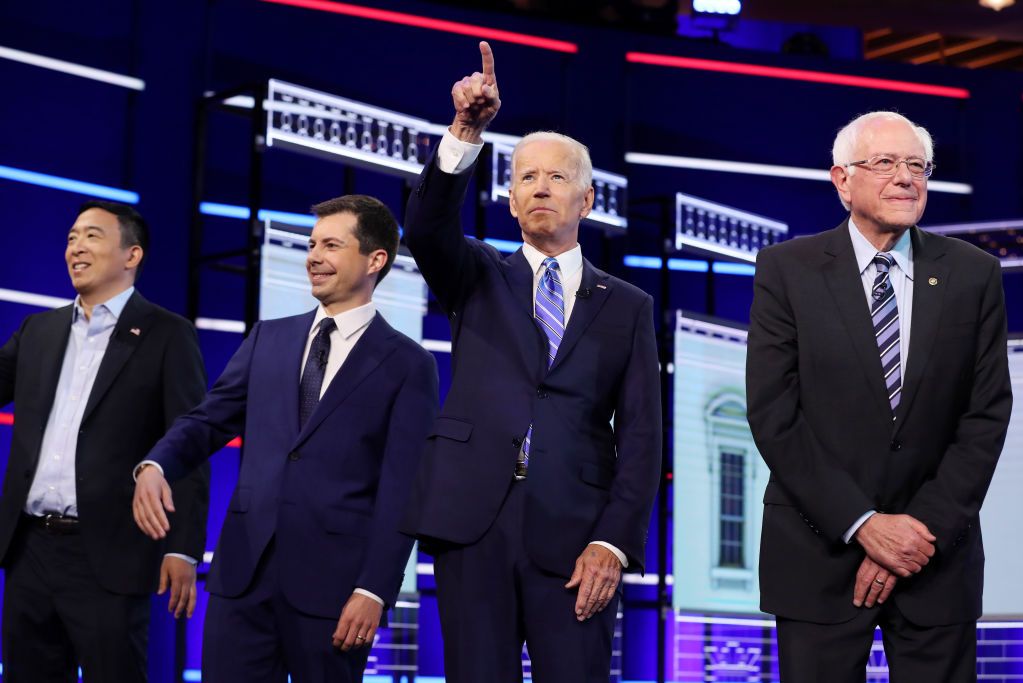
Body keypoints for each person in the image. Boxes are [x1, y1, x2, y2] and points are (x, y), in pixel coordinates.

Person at [401, 42, 661, 682]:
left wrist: (614, 542)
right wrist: (466, 132)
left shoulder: (627, 305)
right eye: (526, 178)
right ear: (511, 200)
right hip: (474, 524)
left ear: (588, 200)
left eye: (557, 177)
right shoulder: (478, 274)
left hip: (576, 535)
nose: (541, 187)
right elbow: (428, 228)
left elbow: (642, 434)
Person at [746, 111, 1013, 682]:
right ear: (841, 180)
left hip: (935, 557)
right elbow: (774, 414)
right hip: (818, 553)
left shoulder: (974, 274)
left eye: (917, 165)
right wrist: (864, 524)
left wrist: (917, 531)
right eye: (885, 163)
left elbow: (986, 415)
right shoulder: (786, 269)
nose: (906, 177)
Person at [132, 194, 438, 683]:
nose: (313, 256)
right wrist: (157, 464)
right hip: (243, 577)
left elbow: (403, 490)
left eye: (331, 245)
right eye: (312, 244)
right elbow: (210, 419)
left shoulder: (409, 364)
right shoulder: (267, 338)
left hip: (336, 591)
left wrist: (375, 590)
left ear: (375, 260)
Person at [0, 200, 209, 683]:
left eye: (91, 236)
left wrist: (183, 548)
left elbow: (190, 442)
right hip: (28, 549)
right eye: (72, 237)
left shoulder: (166, 334)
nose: (75, 247)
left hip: (108, 555)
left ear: (131, 255)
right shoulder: (39, 330)